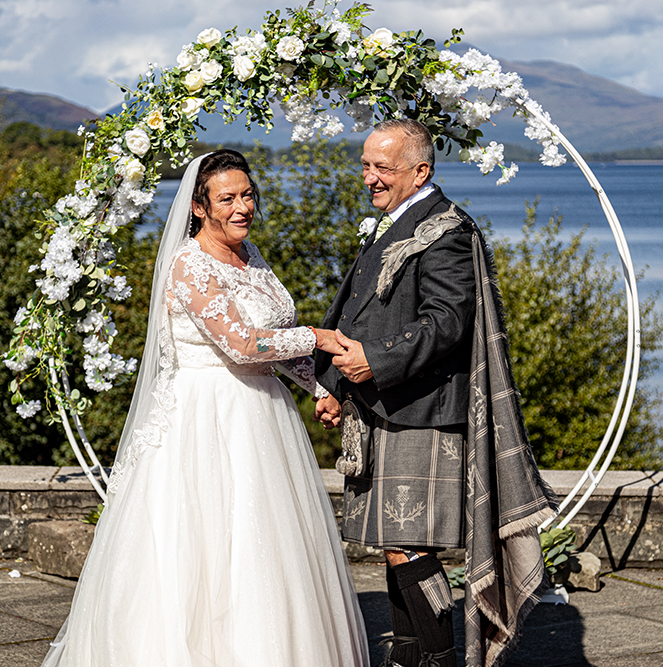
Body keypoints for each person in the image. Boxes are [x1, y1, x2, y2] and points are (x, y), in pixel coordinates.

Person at [43, 150, 370, 667]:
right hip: (206, 418)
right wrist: (320, 336)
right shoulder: (189, 265)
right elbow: (241, 343)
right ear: (199, 207)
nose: (243, 207)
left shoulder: (250, 255)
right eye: (227, 199)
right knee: (207, 543)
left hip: (262, 414)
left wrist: (318, 388)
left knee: (264, 545)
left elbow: (273, 338)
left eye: (248, 195)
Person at [314, 119, 557, 667]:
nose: (369, 178)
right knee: (396, 543)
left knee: (409, 543)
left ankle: (442, 659)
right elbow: (358, 314)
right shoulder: (399, 221)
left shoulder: (445, 230)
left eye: (383, 167)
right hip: (385, 405)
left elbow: (447, 321)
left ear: (420, 171)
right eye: (366, 166)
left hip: (422, 411)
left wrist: (373, 361)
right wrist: (335, 385)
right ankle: (408, 659)